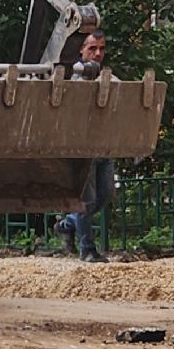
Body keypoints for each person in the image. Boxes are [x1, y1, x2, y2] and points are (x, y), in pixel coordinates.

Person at [53, 32, 116, 263]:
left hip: (103, 147)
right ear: (81, 50)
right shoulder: (72, 77)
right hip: (80, 149)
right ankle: (87, 249)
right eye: (92, 48)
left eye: (101, 48)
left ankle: (65, 225)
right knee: (85, 201)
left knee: (104, 196)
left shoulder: (107, 76)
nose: (97, 53)